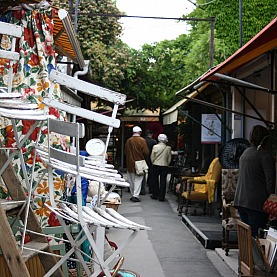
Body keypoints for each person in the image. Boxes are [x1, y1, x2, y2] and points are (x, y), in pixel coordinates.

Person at [234, 125, 276, 237]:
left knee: (245, 236)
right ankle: (251, 255)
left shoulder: (245, 153)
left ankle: (243, 255)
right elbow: (270, 182)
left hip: (241, 200)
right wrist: (272, 201)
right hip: (256, 203)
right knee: (254, 236)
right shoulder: (265, 156)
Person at [125, 126, 149, 202]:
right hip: (139, 163)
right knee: (138, 180)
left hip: (130, 163)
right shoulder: (142, 140)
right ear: (140, 132)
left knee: (131, 180)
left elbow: (125, 152)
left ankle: (133, 194)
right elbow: (146, 152)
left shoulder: (128, 141)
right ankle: (136, 195)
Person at [150, 134, 172, 201]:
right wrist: (167, 163)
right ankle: (162, 196)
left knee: (155, 180)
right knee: (163, 181)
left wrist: (153, 162)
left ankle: (155, 194)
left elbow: (152, 156)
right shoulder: (168, 148)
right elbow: (169, 158)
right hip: (164, 165)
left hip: (156, 165)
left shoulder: (155, 147)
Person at [141, 130, 157, 194]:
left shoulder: (142, 140)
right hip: (150, 159)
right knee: (151, 174)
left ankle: (142, 188)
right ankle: (150, 188)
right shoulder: (153, 142)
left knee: (142, 173)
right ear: (150, 135)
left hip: (143, 158)